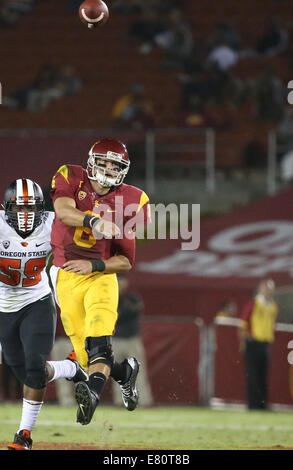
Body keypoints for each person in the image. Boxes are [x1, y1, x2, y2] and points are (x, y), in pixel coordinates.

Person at [49, 138, 151, 426]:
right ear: (91, 161)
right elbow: (64, 211)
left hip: (101, 276)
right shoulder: (71, 175)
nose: (108, 169)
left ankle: (91, 395)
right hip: (64, 273)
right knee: (85, 357)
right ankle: (124, 374)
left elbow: (126, 261)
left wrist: (93, 264)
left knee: (99, 341)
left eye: (114, 164)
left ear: (124, 169)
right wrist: (94, 221)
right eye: (103, 162)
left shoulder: (131, 201)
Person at [0, 178, 88, 450]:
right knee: (26, 373)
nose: (26, 216)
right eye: (19, 209)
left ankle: (23, 435)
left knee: (35, 371)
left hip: (35, 301)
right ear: (7, 209)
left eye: (31, 209)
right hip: (2, 305)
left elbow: (88, 233)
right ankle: (71, 368)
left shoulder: (54, 222)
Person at [112, 274, 153, 407]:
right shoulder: (109, 298)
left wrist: (121, 296)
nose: (120, 283)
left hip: (132, 340)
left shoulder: (133, 298)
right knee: (117, 373)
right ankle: (120, 401)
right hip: (115, 340)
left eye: (122, 281)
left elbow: (131, 312)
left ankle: (143, 400)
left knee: (138, 371)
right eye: (118, 280)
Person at [238, 278, 278, 410]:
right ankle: (253, 405)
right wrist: (243, 342)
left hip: (265, 343)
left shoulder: (273, 306)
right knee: (253, 375)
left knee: (263, 375)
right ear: (261, 288)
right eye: (267, 288)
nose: (269, 291)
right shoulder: (254, 303)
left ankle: (262, 404)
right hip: (253, 342)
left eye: (271, 288)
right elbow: (243, 323)